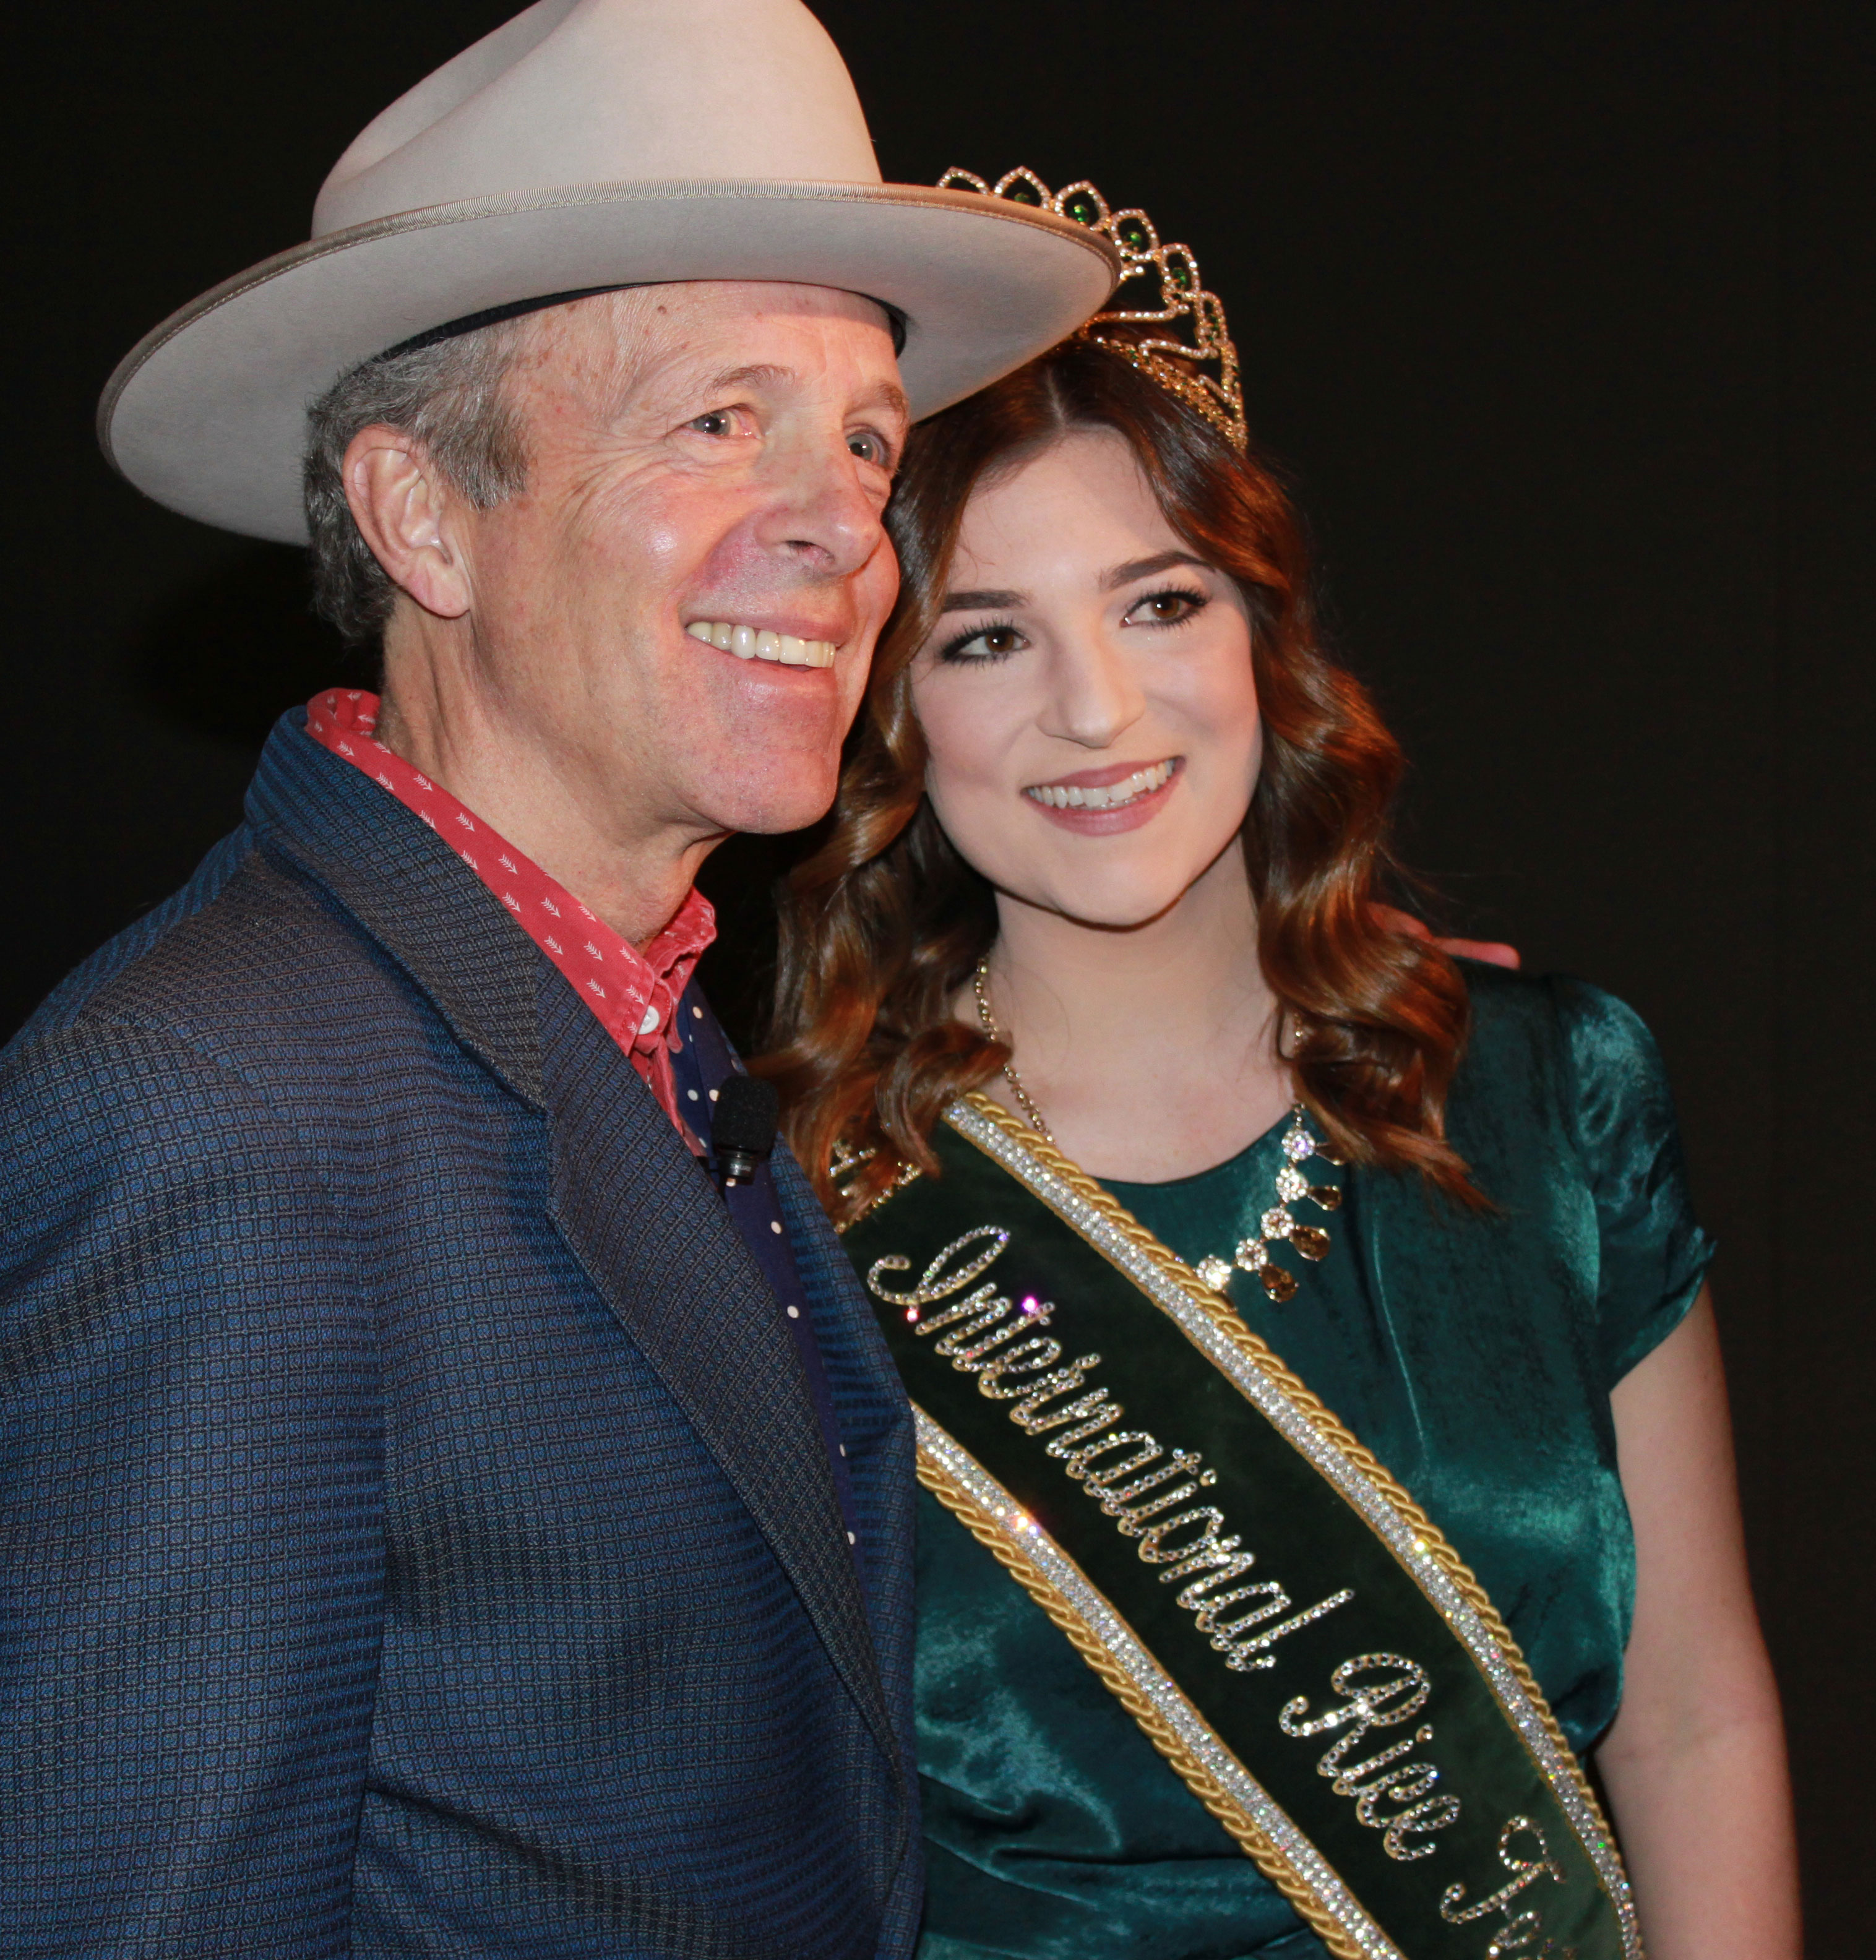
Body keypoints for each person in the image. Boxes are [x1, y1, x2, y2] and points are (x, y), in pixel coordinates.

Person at [0, 9, 1119, 1954]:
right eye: (714, 419)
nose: (846, 526)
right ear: (422, 516)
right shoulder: (212, 1106)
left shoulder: (650, 1033)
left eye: (863, 439)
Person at [757, 171, 1801, 1958]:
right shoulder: (787, 1207)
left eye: (1159, 604)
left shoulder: (1553, 1100)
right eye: (989, 638)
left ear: (1262, 631)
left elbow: (1695, 1722)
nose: (1097, 707)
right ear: (890, 712)